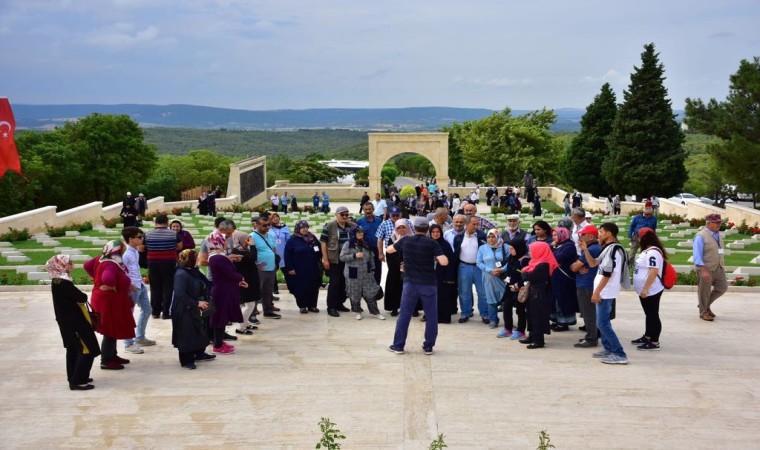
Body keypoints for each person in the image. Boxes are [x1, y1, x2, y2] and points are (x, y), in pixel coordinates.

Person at [387, 216, 449, 355]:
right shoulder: (432, 243)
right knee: (432, 316)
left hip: (410, 284)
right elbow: (444, 262)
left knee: (404, 315)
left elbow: (389, 250)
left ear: (414, 228)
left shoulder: (406, 240)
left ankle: (398, 346)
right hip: (429, 284)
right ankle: (428, 347)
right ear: (427, 229)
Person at [46, 255, 101, 390]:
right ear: (61, 266)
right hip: (74, 322)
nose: (72, 265)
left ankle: (75, 376)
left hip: (68, 322)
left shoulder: (57, 281)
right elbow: (81, 297)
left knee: (73, 348)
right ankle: (77, 381)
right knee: (86, 348)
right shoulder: (63, 283)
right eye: (69, 263)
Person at [580, 222, 630, 365]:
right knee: (602, 323)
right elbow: (593, 264)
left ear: (608, 234)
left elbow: (607, 274)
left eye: (601, 232)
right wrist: (585, 250)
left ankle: (619, 353)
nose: (599, 235)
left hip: (605, 292)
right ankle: (608, 349)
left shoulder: (614, 249)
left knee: (603, 324)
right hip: (604, 291)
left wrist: (597, 292)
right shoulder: (608, 248)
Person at [84, 240, 135, 370]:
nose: (124, 250)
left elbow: (87, 265)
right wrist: (111, 285)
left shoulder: (101, 258)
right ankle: (106, 361)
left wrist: (96, 277)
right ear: (117, 249)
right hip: (109, 301)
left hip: (106, 299)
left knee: (113, 327)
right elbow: (107, 277)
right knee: (110, 329)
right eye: (123, 248)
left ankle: (113, 356)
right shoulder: (111, 263)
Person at [172, 249, 215, 369]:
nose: (198, 261)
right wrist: (196, 303)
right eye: (195, 259)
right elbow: (180, 294)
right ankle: (186, 360)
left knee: (200, 331)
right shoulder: (181, 274)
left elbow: (206, 282)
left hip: (196, 307)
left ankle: (199, 354)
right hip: (185, 309)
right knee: (187, 334)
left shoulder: (193, 271)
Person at [207, 231, 247, 354]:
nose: (227, 244)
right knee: (220, 317)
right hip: (222, 292)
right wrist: (241, 278)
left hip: (223, 290)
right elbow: (230, 273)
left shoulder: (217, 256)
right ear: (219, 242)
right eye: (224, 241)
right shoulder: (218, 258)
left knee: (222, 317)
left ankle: (219, 342)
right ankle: (218, 345)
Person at [121, 227, 154, 355]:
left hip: (140, 285)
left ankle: (139, 337)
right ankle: (128, 343)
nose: (142, 239)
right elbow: (121, 271)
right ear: (131, 239)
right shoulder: (126, 254)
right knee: (129, 315)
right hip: (132, 287)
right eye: (139, 237)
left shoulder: (135, 251)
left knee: (147, 310)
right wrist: (129, 285)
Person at [340, 227, 385, 320]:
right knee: (354, 293)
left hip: (366, 273)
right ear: (354, 233)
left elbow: (371, 257)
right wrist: (354, 255)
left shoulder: (366, 243)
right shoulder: (348, 244)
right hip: (353, 273)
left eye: (362, 233)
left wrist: (373, 269)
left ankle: (375, 312)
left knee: (370, 293)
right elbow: (342, 257)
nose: (361, 234)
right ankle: (357, 311)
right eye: (358, 233)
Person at [519, 242, 558, 349]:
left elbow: (530, 277)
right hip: (533, 292)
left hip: (538, 294)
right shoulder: (535, 262)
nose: (529, 252)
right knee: (531, 315)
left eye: (531, 250)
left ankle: (538, 340)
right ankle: (532, 336)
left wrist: (524, 274)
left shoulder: (543, 264)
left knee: (537, 317)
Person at [632, 227, 665, 351]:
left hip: (652, 290)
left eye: (639, 237)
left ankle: (654, 341)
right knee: (649, 314)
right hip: (646, 290)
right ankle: (647, 336)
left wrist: (645, 288)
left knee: (652, 315)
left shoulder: (653, 252)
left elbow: (653, 271)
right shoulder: (648, 251)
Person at [144, 214, 181, 319]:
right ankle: (166, 312)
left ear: (155, 222)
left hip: (153, 262)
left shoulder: (148, 234)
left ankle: (155, 312)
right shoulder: (173, 234)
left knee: (155, 287)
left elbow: (141, 248)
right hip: (169, 262)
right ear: (167, 222)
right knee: (168, 287)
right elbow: (180, 246)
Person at [692, 213, 728, 322]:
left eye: (720, 222)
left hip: (718, 268)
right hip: (706, 269)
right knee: (704, 291)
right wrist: (703, 270)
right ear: (708, 223)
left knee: (722, 287)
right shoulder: (700, 236)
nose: (719, 224)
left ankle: (705, 305)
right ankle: (703, 312)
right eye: (716, 222)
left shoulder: (718, 235)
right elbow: (697, 255)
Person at [320, 206, 354, 317]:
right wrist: (325, 259)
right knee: (335, 284)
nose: (344, 216)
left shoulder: (352, 226)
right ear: (336, 215)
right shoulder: (329, 226)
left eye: (346, 214)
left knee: (345, 284)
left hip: (348, 260)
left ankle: (340, 303)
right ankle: (331, 307)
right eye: (342, 214)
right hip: (335, 260)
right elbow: (323, 243)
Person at [571, 225, 602, 348]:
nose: (580, 237)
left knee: (588, 312)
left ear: (590, 236)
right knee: (589, 312)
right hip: (586, 283)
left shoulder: (592, 249)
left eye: (583, 235)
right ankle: (593, 334)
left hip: (586, 284)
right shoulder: (591, 248)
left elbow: (575, 267)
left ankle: (591, 338)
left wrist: (576, 267)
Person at [453, 216, 488, 324]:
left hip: (479, 267)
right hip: (464, 267)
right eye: (474, 224)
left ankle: (485, 314)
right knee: (464, 292)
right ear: (467, 224)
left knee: (482, 292)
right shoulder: (458, 237)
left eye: (477, 224)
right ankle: (465, 313)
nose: (476, 226)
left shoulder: (482, 236)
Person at [377, 210, 412, 316]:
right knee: (394, 285)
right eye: (399, 228)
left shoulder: (411, 238)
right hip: (395, 267)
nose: (401, 230)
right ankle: (394, 307)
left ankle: (411, 308)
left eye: (403, 227)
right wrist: (399, 265)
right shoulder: (392, 239)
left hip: (410, 267)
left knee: (409, 287)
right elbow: (390, 253)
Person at [284, 220, 323, 313]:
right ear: (298, 228)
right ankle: (302, 305)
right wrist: (290, 268)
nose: (305, 229)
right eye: (303, 227)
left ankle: (312, 305)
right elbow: (287, 255)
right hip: (299, 268)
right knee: (301, 288)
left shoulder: (312, 237)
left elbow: (319, 249)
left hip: (313, 267)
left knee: (313, 287)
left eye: (306, 227)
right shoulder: (292, 240)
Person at [476, 229, 510, 329]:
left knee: (506, 299)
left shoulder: (505, 247)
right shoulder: (483, 248)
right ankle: (493, 320)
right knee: (491, 298)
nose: (491, 239)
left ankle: (508, 322)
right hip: (489, 276)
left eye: (493, 236)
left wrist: (502, 269)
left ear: (498, 237)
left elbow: (511, 261)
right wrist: (490, 270)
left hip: (502, 277)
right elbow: (479, 262)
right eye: (489, 237)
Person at [251, 215, 282, 319]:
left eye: (269, 225)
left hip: (271, 266)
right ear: (257, 225)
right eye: (264, 225)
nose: (267, 227)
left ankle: (268, 310)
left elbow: (273, 248)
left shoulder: (270, 236)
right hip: (259, 268)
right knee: (257, 291)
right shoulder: (252, 236)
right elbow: (250, 253)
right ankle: (252, 312)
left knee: (268, 290)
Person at [230, 230, 261, 335]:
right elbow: (253, 257)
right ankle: (241, 327)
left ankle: (246, 323)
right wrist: (252, 246)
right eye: (246, 239)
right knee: (249, 304)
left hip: (250, 278)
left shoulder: (243, 249)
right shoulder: (236, 251)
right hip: (245, 280)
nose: (248, 241)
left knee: (249, 303)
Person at [550, 227, 578, 331]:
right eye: (553, 235)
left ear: (563, 235)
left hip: (565, 279)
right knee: (556, 299)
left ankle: (564, 322)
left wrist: (552, 250)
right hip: (556, 278)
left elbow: (555, 258)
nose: (554, 237)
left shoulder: (569, 246)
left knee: (563, 300)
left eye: (556, 235)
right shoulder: (558, 245)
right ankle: (557, 320)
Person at [429, 224, 457, 323]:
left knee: (442, 296)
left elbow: (451, 261)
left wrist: (449, 277)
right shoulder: (428, 243)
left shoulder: (445, 244)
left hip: (442, 274)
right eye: (433, 232)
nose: (435, 234)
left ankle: (443, 318)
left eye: (437, 232)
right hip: (430, 274)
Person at [357, 202, 383, 286]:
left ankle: (376, 289)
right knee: (366, 270)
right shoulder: (359, 222)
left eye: (369, 209)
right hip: (365, 250)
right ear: (363, 210)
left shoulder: (379, 220)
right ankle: (366, 289)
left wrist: (381, 251)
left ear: (373, 209)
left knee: (378, 269)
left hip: (377, 249)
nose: (368, 211)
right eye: (366, 209)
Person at [269, 212, 290, 293]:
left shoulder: (285, 227)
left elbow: (288, 239)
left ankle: (291, 287)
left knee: (287, 272)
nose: (276, 218)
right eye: (273, 217)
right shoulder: (269, 228)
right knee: (273, 272)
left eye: (277, 216)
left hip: (284, 253)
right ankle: (275, 289)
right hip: (273, 253)